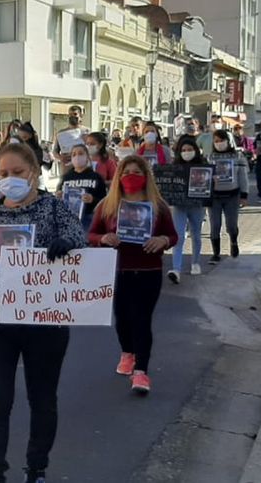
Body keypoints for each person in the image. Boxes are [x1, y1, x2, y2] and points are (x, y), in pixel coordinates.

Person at [0, 143, 86, 483]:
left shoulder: (55, 208)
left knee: (42, 400)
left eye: (17, 173)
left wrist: (68, 245)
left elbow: (79, 240)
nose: (10, 179)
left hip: (44, 322)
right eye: (3, 174)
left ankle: (37, 467)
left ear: (33, 172)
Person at [88, 155, 178, 396]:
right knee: (123, 319)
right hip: (118, 271)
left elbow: (173, 236)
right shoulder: (107, 206)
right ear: (118, 176)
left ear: (146, 177)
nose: (131, 177)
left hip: (149, 271)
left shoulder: (158, 206)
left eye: (137, 172)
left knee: (142, 320)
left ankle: (141, 371)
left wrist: (162, 240)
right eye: (126, 172)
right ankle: (127, 351)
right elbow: (92, 234)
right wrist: (103, 239)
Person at [162, 136, 210, 283]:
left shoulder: (203, 165)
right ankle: (176, 269)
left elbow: (210, 183)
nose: (186, 152)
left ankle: (195, 262)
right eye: (183, 150)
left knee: (196, 234)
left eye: (189, 149)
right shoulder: (174, 166)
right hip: (179, 206)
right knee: (179, 236)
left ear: (195, 150)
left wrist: (211, 182)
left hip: (197, 206)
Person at [206, 130, 249, 263]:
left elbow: (243, 176)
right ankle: (216, 253)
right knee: (215, 225)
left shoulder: (237, 156)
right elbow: (203, 176)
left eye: (222, 140)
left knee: (231, 224)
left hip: (232, 195)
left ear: (228, 141)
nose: (219, 144)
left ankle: (234, 241)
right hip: (215, 196)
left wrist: (244, 195)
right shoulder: (209, 157)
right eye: (216, 141)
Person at [59, 144, 107, 233]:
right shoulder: (66, 177)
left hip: (89, 218)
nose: (77, 157)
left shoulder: (96, 177)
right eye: (74, 154)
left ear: (87, 157)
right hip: (69, 218)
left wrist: (93, 199)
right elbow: (58, 196)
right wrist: (59, 195)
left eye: (80, 153)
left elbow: (104, 201)